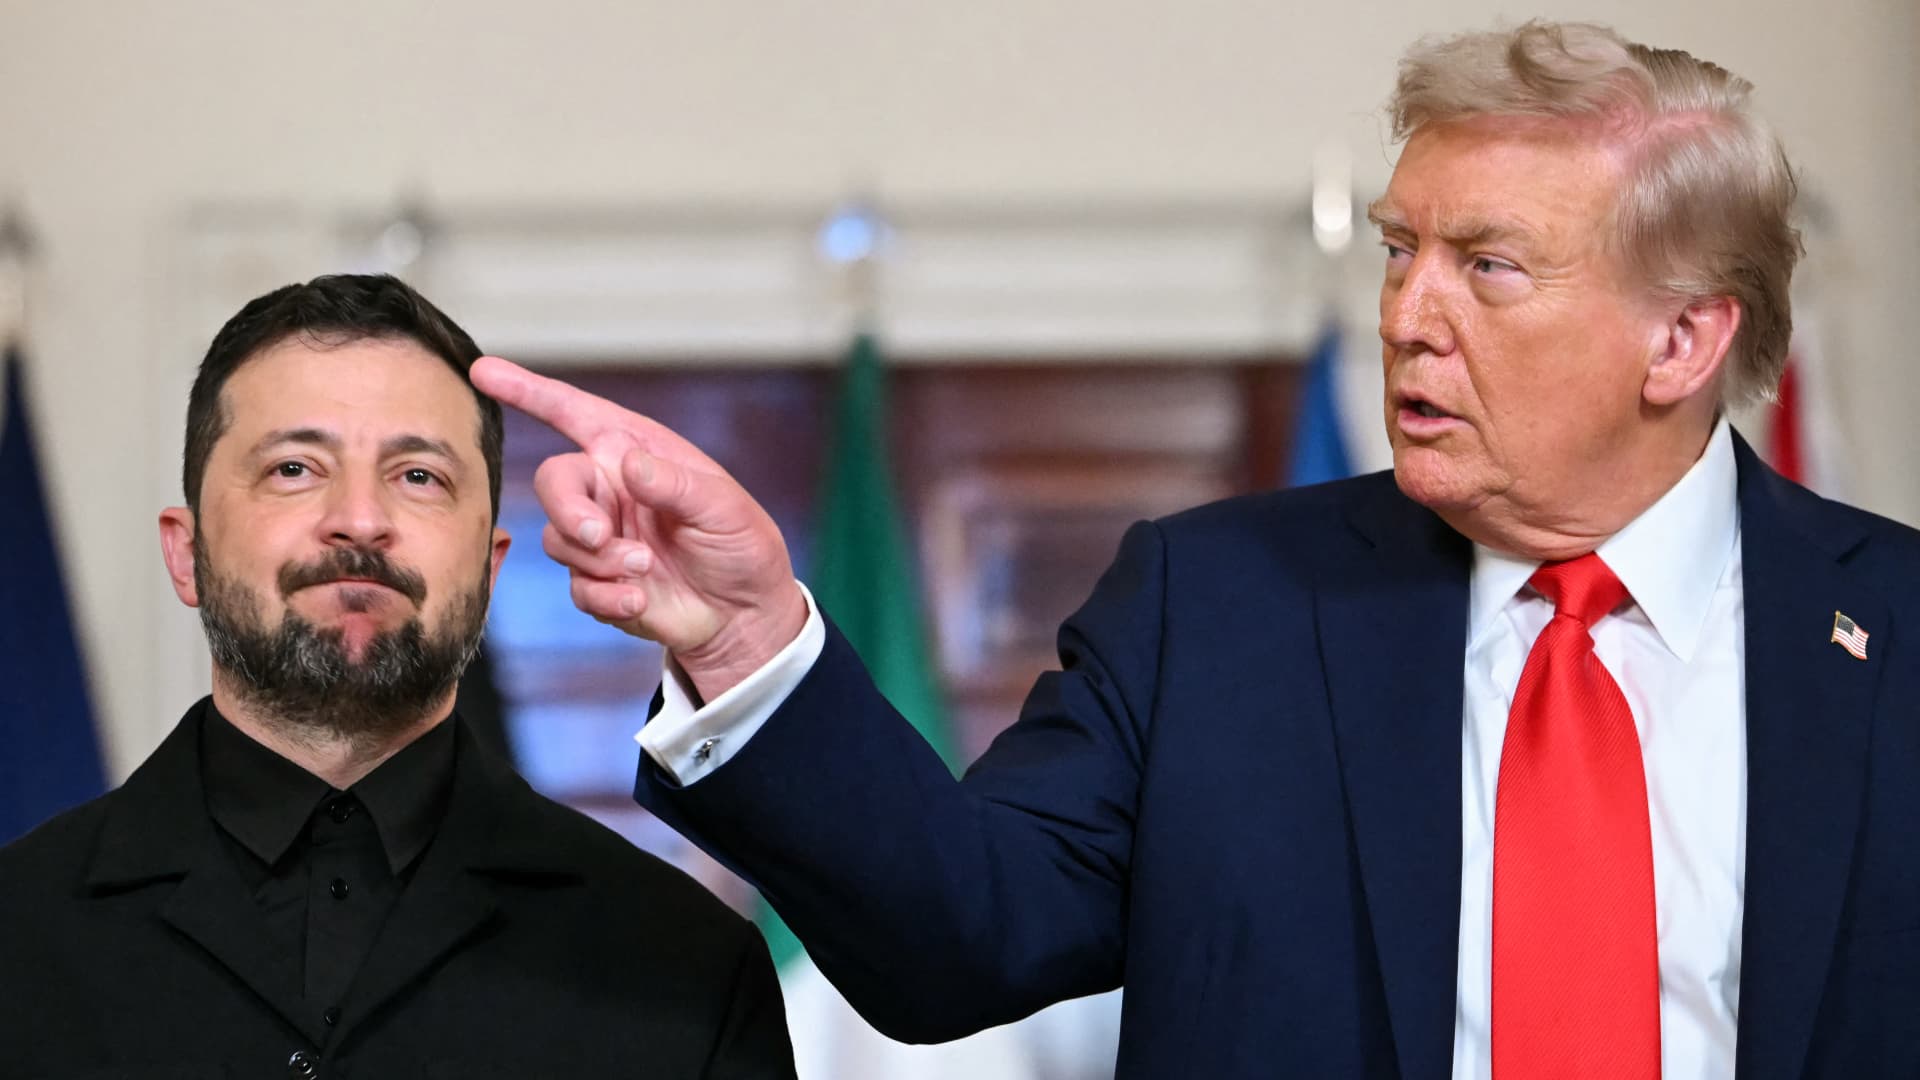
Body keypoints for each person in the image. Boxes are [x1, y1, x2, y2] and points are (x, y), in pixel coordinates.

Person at [475, 21, 1920, 1079]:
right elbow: (954, 939)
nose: (1407, 315)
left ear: (1683, 340)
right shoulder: (1219, 612)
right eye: (1399, 250)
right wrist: (743, 642)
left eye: (1488, 266)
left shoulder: (1897, 637)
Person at [0, 274, 796, 1079]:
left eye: (419, 476)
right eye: (293, 468)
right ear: (187, 554)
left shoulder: (688, 967)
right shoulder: (15, 929)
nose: (360, 519)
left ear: (489, 570)